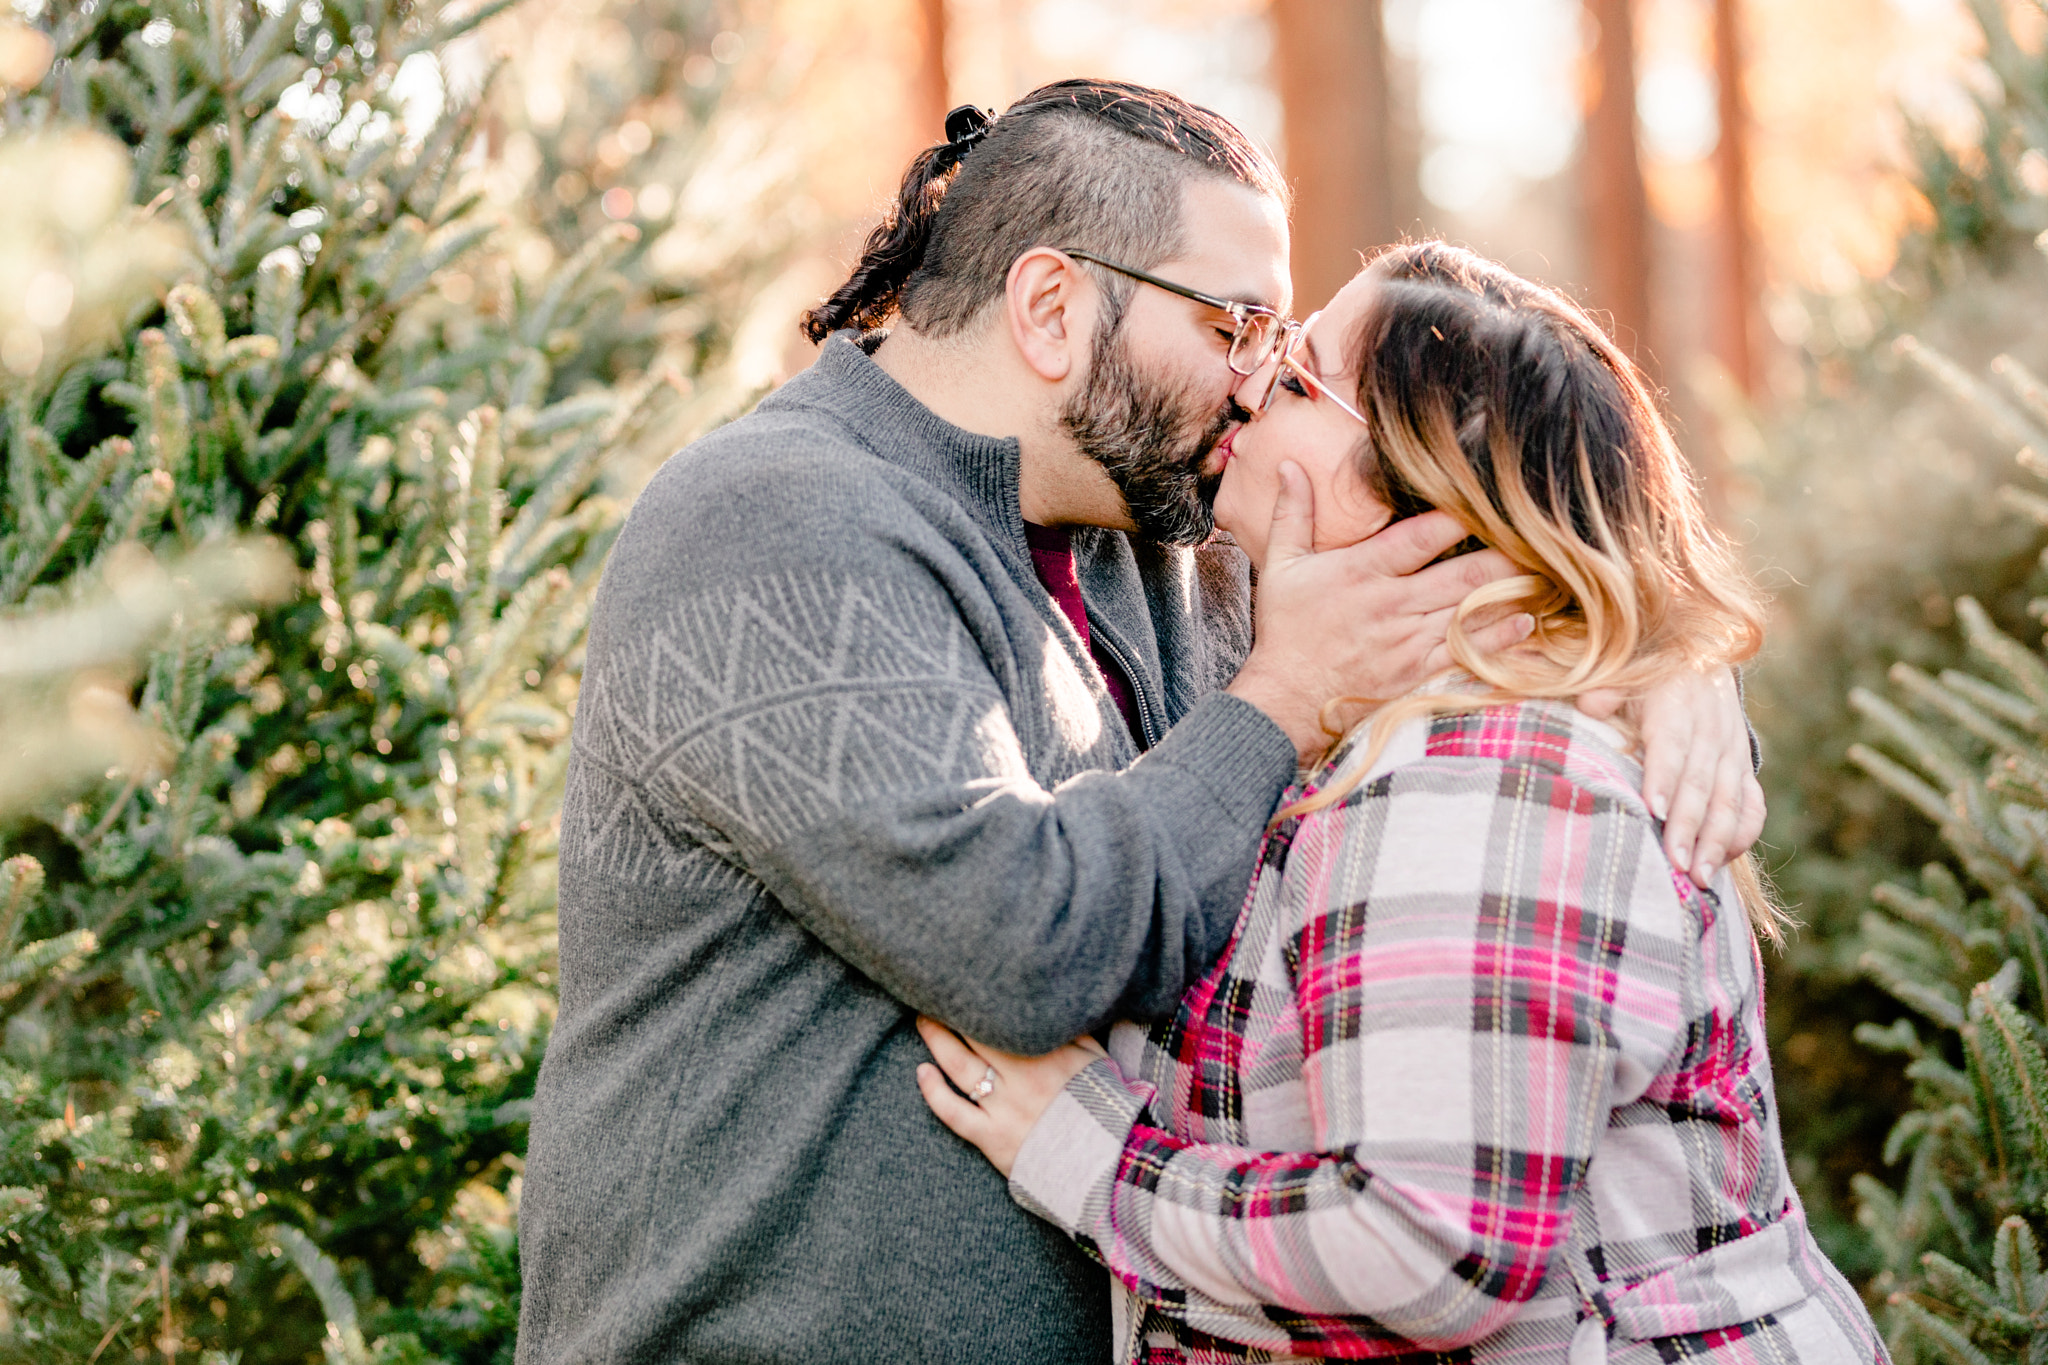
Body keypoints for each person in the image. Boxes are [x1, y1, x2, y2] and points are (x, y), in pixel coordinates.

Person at [515, 80, 1761, 1365]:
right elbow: (1014, 948)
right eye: (1232, 324)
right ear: (1051, 306)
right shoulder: (774, 521)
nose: (1255, 380)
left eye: (1278, 345)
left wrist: (1669, 676)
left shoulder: (1163, 542)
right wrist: (1278, 699)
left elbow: (1484, 653)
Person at [917, 242, 1884, 1365]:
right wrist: (1673, 659)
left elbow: (1427, 1253)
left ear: (1420, 479)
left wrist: (1088, 1159)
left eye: (1294, 374)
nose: (1244, 381)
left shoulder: (1486, 784)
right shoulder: (1376, 711)